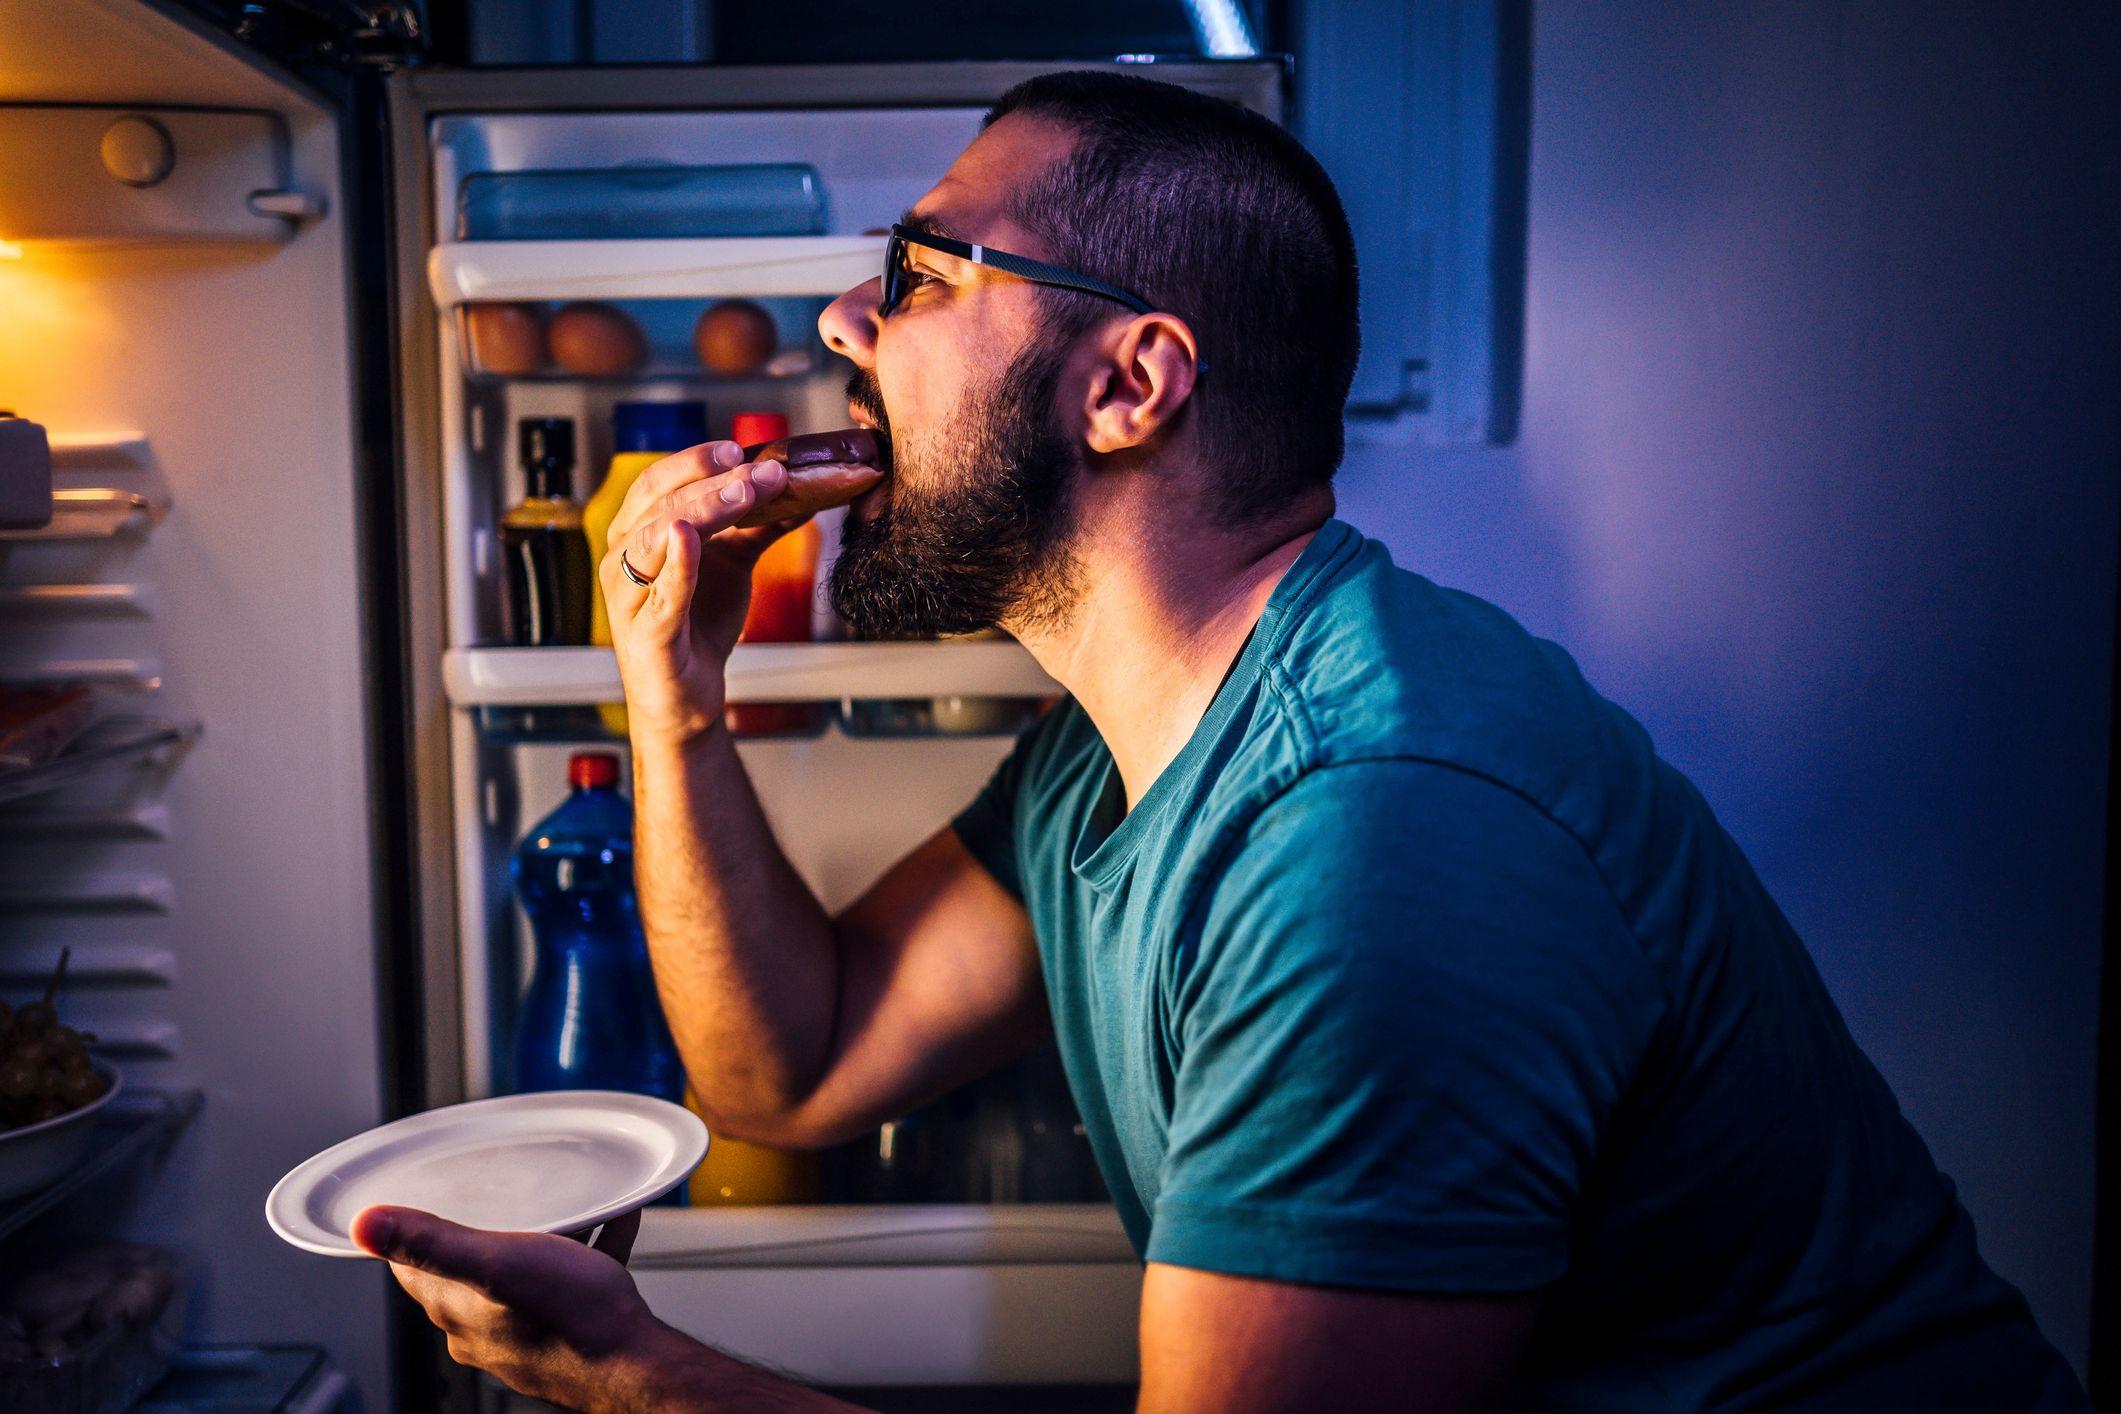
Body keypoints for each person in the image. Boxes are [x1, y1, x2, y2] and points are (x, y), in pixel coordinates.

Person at [355, 71, 2089, 1412]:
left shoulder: (1375, 838)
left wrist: (637, 1379)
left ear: (1131, 383)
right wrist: (671, 678)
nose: (839, 326)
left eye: (916, 275)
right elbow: (787, 1064)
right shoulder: (1120, 750)